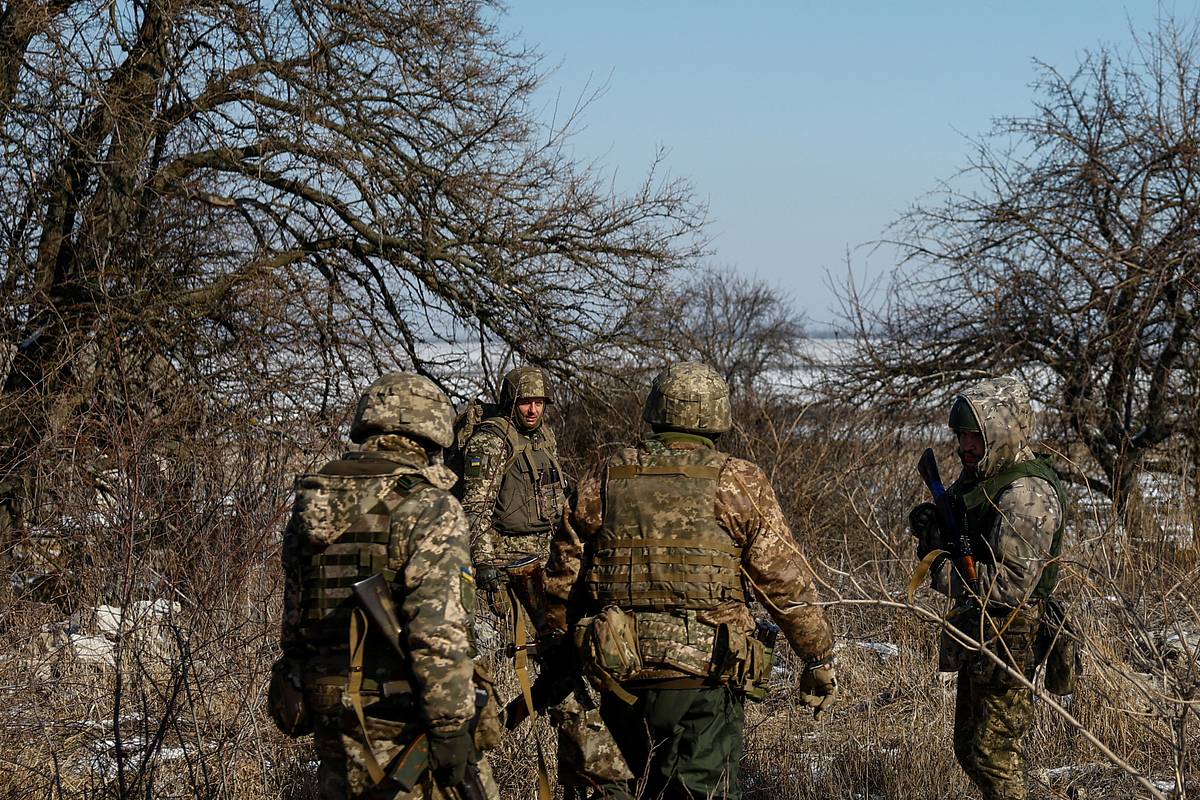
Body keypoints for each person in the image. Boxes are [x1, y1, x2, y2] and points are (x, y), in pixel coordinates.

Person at [542, 361, 838, 800]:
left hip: (619, 671)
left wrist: (561, 656)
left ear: (656, 409)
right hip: (704, 679)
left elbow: (562, 578)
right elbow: (785, 582)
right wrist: (816, 658)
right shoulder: (738, 480)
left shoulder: (606, 473)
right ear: (718, 416)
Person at [274, 373, 499, 799]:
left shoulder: (312, 504)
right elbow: (438, 634)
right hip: (402, 725)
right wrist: (451, 729)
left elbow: (295, 625)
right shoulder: (427, 506)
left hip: (330, 714)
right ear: (431, 431)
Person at [909, 375, 1068, 800]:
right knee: (971, 749)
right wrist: (932, 523)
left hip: (1013, 630)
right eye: (961, 435)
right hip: (983, 629)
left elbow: (1010, 583)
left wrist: (940, 568)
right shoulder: (981, 476)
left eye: (975, 436)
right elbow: (963, 521)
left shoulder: (1027, 493)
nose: (965, 445)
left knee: (995, 755)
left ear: (1001, 433)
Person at [461, 365, 567, 614]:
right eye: (525, 402)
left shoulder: (545, 436)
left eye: (539, 402)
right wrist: (484, 562)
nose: (533, 410)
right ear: (511, 402)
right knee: (517, 643)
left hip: (547, 559)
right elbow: (476, 506)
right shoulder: (491, 441)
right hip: (508, 564)